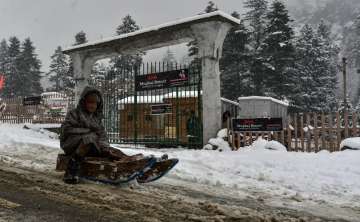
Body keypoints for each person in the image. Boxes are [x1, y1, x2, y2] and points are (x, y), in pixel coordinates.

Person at [60, 86, 129, 184]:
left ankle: (132, 165)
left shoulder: (96, 118)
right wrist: (87, 132)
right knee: (89, 138)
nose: (93, 105)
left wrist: (105, 149)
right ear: (84, 102)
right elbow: (66, 129)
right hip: (71, 144)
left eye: (95, 103)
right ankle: (71, 171)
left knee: (112, 151)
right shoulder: (74, 114)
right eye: (90, 102)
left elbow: (102, 135)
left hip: (90, 145)